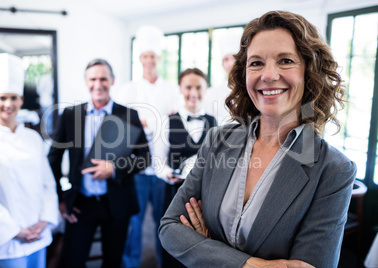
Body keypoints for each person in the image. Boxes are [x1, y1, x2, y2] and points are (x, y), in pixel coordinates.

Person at [159, 10, 357, 268]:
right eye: (256, 63)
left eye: (285, 60)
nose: (268, 75)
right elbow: (170, 228)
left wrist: (207, 246)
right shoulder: (218, 140)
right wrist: (252, 264)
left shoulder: (333, 170)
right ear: (244, 74)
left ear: (309, 71)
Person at [48, 58, 151, 268]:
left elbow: (145, 158)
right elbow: (53, 159)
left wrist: (115, 169)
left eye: (103, 78)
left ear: (112, 80)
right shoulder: (70, 115)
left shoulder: (128, 114)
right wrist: (60, 199)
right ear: (86, 82)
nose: (98, 84)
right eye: (92, 79)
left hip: (117, 203)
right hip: (80, 203)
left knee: (113, 261)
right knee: (72, 261)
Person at [0, 53, 59, 268]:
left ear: (21, 100)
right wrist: (15, 232)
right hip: (5, 241)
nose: (8, 104)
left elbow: (47, 184)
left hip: (38, 235)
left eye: (13, 98)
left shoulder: (32, 138)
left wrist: (44, 221)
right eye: (2, 98)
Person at [113, 25, 183, 268]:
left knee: (164, 224)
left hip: (163, 169)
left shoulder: (171, 89)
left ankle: (164, 264)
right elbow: (120, 126)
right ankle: (131, 264)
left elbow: (176, 122)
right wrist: (148, 122)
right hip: (137, 169)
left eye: (153, 56)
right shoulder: (128, 89)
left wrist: (147, 122)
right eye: (145, 56)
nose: (149, 61)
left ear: (158, 59)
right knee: (135, 223)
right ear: (140, 59)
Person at [154, 68, 217, 267]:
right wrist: (168, 174)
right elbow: (158, 162)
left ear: (205, 88)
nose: (193, 92)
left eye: (198, 87)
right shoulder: (167, 121)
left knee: (203, 245)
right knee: (172, 244)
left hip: (206, 197)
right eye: (188, 87)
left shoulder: (214, 122)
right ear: (180, 89)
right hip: (174, 193)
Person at [202, 30, 242, 125]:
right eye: (226, 59)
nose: (230, 63)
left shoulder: (249, 90)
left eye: (233, 58)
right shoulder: (212, 93)